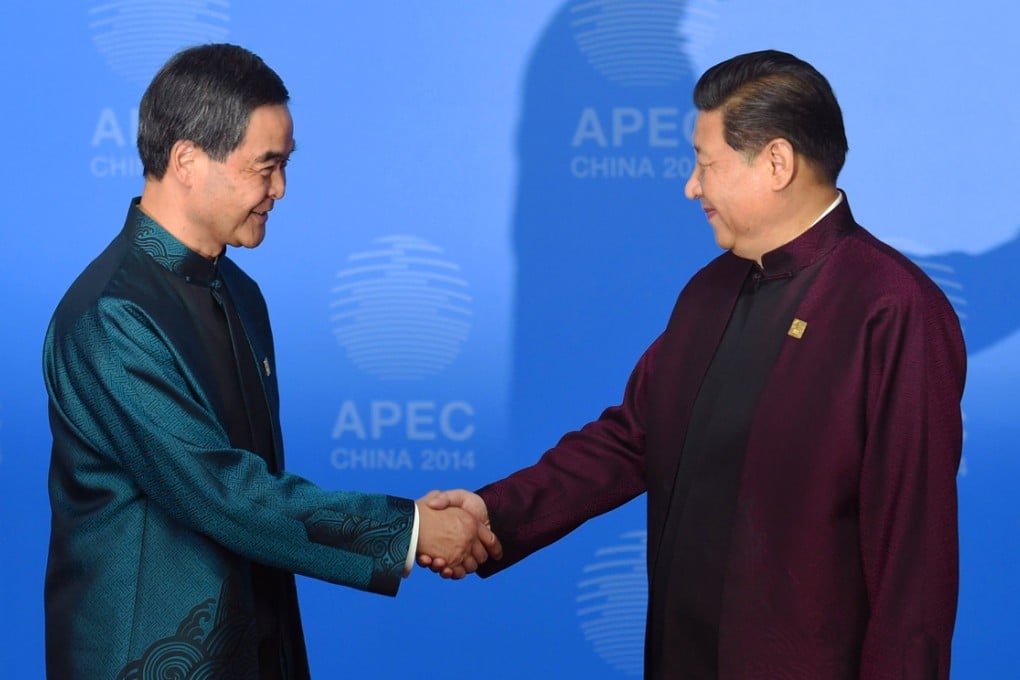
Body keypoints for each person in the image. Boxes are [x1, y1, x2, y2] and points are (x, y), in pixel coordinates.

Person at [423, 50, 966, 679]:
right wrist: (493, 513)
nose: (691, 185)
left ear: (777, 162)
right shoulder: (710, 290)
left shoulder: (894, 307)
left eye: (705, 164)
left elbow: (914, 563)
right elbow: (630, 440)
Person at [43, 43, 499, 679]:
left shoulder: (240, 293)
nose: (281, 189)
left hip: (258, 646)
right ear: (186, 161)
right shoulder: (111, 316)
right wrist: (413, 531)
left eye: (284, 166)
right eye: (266, 167)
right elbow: (224, 494)